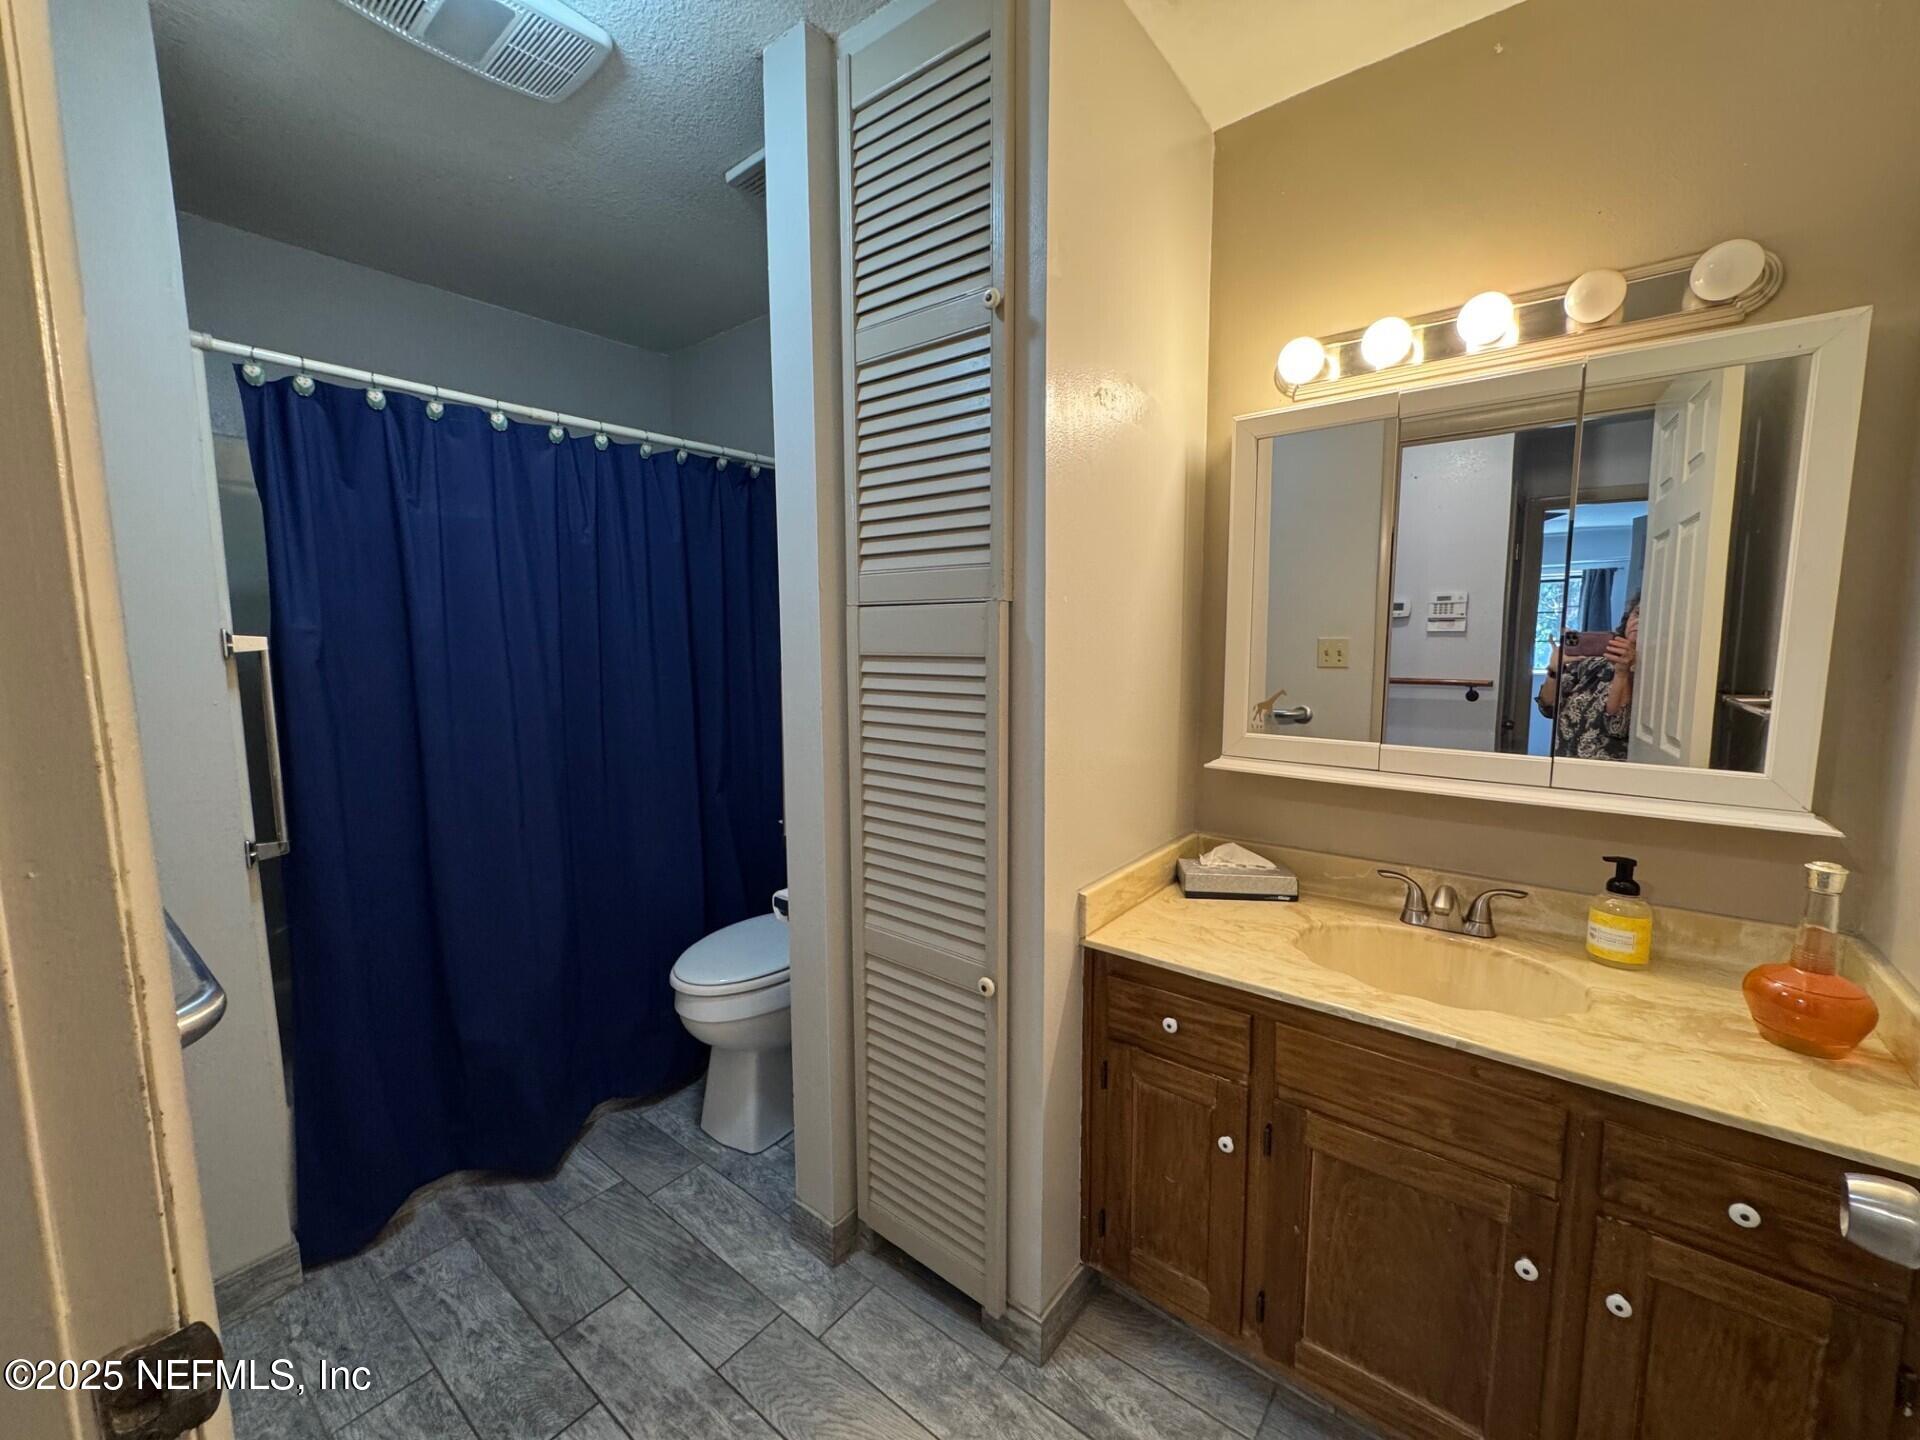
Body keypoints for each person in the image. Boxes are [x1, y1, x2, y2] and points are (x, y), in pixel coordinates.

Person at [1537, 596, 1639, 760]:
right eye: (1637, 613)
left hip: (1605, 774)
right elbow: (1547, 707)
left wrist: (1622, 672)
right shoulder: (1589, 664)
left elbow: (1616, 726)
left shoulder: (1650, 674)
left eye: (1647, 616)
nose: (1639, 622)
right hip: (1564, 764)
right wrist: (1554, 670)